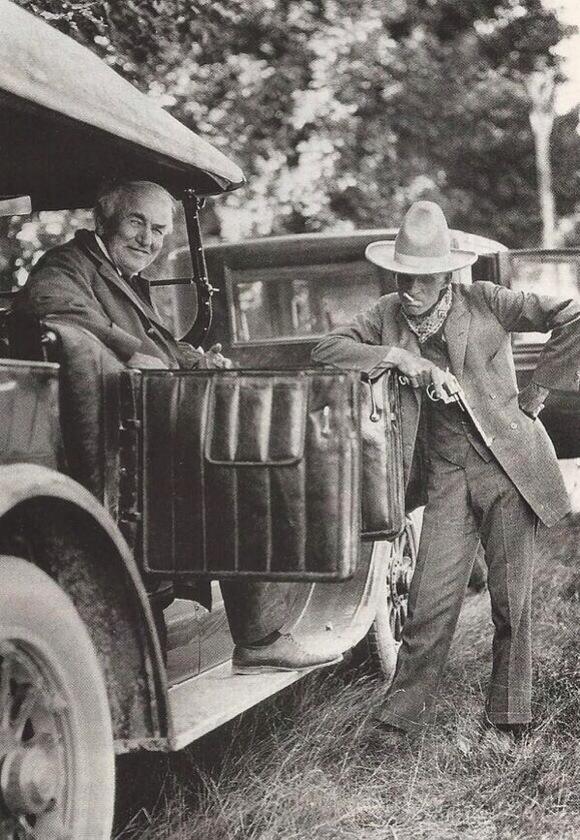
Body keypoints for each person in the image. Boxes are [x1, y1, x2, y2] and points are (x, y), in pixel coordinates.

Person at [18, 179, 339, 674]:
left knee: (254, 445)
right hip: (109, 438)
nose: (148, 238)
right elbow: (60, 318)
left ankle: (256, 626)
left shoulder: (117, 272)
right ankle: (259, 639)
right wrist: (146, 359)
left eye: (160, 230)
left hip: (136, 423)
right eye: (137, 222)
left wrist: (192, 361)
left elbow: (149, 346)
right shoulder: (64, 267)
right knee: (244, 468)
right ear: (105, 219)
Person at [312, 200, 580, 740]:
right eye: (402, 274)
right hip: (445, 477)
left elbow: (572, 314)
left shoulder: (487, 300)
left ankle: (509, 718)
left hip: (509, 470)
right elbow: (326, 349)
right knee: (428, 602)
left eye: (423, 276)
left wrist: (538, 391)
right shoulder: (386, 314)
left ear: (447, 274)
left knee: (512, 603)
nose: (410, 286)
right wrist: (403, 359)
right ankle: (398, 721)